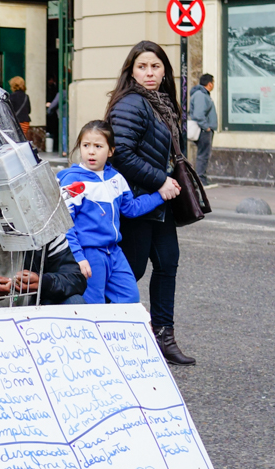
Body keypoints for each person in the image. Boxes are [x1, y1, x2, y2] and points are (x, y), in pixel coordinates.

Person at [106, 40, 192, 366]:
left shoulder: (162, 104)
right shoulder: (130, 104)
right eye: (142, 67)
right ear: (132, 71)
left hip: (158, 201)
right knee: (132, 269)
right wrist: (159, 180)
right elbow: (122, 153)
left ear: (165, 70)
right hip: (136, 201)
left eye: (156, 66)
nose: (150, 72)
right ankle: (109, 333)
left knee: (168, 262)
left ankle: (163, 337)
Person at [58, 121, 172, 305]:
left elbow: (131, 208)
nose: (91, 151)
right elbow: (65, 223)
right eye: (85, 145)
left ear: (111, 151)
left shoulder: (116, 178)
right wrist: (79, 257)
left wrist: (160, 195)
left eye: (98, 146)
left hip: (114, 252)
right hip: (90, 253)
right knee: (94, 305)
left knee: (130, 298)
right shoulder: (72, 181)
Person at [189, 73, 217, 184]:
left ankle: (201, 178)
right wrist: (207, 127)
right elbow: (199, 114)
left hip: (204, 129)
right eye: (213, 82)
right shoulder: (201, 95)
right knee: (203, 155)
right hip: (203, 130)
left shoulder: (203, 94)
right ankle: (200, 179)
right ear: (209, 84)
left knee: (204, 154)